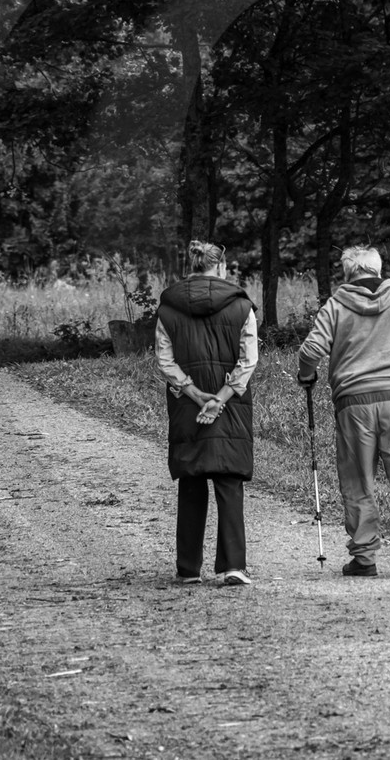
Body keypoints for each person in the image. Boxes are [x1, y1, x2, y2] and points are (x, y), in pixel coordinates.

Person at [296, 245, 390, 577]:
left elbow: (311, 351)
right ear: (377, 270)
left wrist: (307, 376)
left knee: (357, 479)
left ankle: (364, 558)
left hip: (354, 404)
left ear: (347, 274)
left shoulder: (335, 306)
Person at [155, 240, 260, 586]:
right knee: (229, 477)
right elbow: (248, 360)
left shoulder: (169, 306)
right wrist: (221, 397)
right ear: (221, 267)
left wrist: (197, 395)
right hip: (230, 404)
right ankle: (233, 565)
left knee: (192, 477)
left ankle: (187, 568)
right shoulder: (241, 305)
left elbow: (165, 361)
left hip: (188, 403)